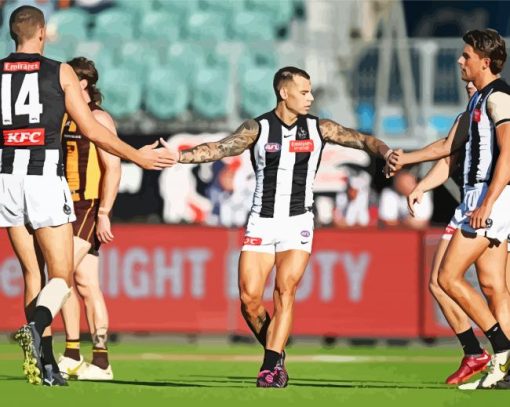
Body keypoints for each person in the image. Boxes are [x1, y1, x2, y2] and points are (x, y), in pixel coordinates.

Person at [160, 66, 394, 388]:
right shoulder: (257, 128)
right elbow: (219, 148)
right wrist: (179, 157)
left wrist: (386, 152)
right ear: (284, 93)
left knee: (286, 290)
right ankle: (277, 354)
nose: (310, 98)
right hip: (261, 221)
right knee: (249, 299)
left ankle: (270, 367)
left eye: (311, 92)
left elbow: (362, 139)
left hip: (298, 221)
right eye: (304, 92)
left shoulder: (319, 128)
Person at [1, 6, 174, 386]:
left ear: (13, 34)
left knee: (33, 274)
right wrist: (138, 157)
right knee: (61, 276)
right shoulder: (59, 71)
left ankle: (46, 366)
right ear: (42, 32)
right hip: (44, 176)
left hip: (6, 177)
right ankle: (37, 326)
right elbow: (93, 130)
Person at [393, 29, 510, 390]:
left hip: (488, 199)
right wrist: (405, 159)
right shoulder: (478, 102)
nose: (460, 61)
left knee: (446, 279)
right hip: (478, 198)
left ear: (484, 61)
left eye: (466, 55)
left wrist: (487, 202)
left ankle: (501, 353)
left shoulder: (500, 97)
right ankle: (504, 366)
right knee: (492, 285)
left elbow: (509, 153)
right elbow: (447, 147)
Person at [55, 57, 118, 381]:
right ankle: (90, 358)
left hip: (88, 206)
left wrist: (104, 214)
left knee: (60, 276)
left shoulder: (98, 118)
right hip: (63, 206)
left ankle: (75, 353)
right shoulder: (66, 117)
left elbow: (114, 167)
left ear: (83, 84)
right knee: (85, 284)